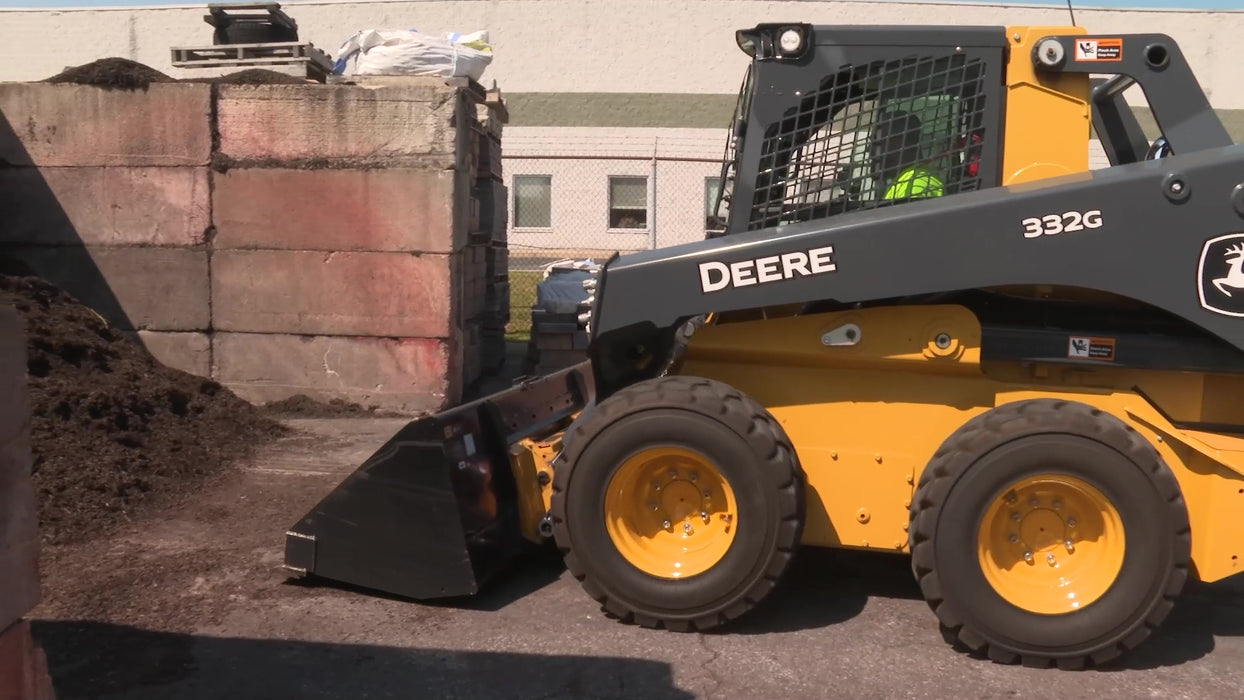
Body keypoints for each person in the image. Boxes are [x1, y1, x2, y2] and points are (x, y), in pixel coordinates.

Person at [870, 110, 944, 201]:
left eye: (877, 142)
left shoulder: (916, 186)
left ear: (899, 143)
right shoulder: (905, 181)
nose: (870, 150)